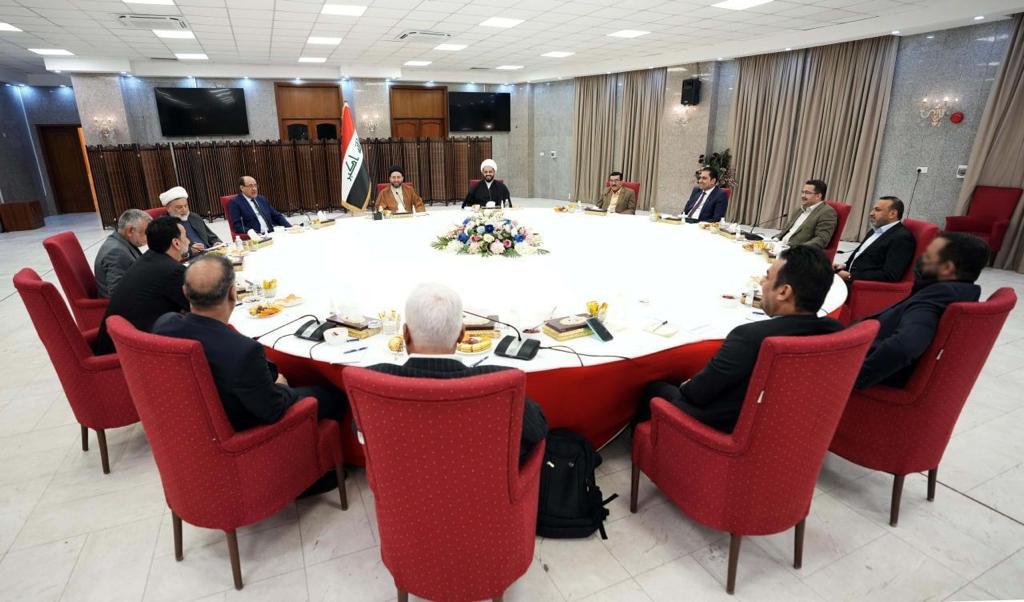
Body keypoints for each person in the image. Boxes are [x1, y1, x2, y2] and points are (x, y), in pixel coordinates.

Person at [636, 246, 843, 432]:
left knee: (657, 389)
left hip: (727, 429)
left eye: (767, 277)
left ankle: (653, 451)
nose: (761, 282)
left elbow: (697, 393)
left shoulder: (749, 337)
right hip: (788, 428)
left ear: (783, 291)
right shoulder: (834, 334)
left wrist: (688, 384)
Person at [153, 254, 347, 432]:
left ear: (185, 292)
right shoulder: (243, 351)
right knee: (334, 396)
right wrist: (282, 388)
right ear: (233, 293)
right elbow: (272, 410)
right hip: (240, 430)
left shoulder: (165, 325)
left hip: (188, 419)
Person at [367, 283, 547, 462]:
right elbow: (538, 429)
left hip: (403, 477)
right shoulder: (500, 381)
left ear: (405, 333)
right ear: (462, 334)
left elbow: (360, 429)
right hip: (480, 478)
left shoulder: (373, 379)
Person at [855, 233, 989, 389]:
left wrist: (851, 378)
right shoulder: (963, 291)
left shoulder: (936, 298)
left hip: (858, 365)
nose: (920, 259)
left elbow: (905, 346)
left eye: (927, 256)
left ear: (947, 268)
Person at [92, 216, 190, 355]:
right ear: (176, 243)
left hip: (117, 343)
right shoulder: (172, 271)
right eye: (185, 236)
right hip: (130, 354)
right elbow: (200, 306)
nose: (189, 240)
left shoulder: (149, 258)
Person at [835, 196, 916, 283]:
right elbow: (861, 256)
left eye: (877, 210)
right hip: (848, 277)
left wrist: (850, 276)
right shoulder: (875, 230)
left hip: (861, 285)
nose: (871, 213)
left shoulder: (902, 238)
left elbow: (889, 275)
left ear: (892, 214)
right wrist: (844, 265)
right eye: (873, 209)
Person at [94, 209, 150, 298]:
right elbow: (118, 294)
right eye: (146, 233)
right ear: (130, 231)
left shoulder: (121, 241)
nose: (148, 238)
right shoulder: (116, 253)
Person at [774, 179, 837, 249]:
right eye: (802, 192)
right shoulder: (800, 209)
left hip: (795, 251)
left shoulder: (827, 212)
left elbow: (821, 239)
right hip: (780, 245)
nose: (803, 196)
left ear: (818, 196)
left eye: (807, 193)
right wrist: (775, 239)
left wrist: (798, 249)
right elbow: (787, 229)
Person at [160, 185, 222, 256]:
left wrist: (216, 243)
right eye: (179, 207)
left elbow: (211, 237)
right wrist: (190, 251)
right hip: (190, 259)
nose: (184, 209)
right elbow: (168, 251)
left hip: (209, 253)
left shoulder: (194, 217)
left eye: (186, 206)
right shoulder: (164, 225)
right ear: (168, 208)